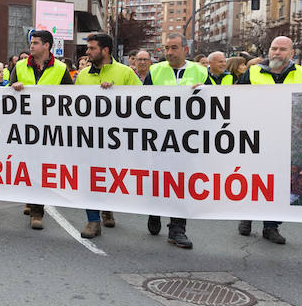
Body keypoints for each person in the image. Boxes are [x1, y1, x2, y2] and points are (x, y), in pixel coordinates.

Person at [236, 35, 302, 244]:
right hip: (256, 137)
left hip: (288, 138)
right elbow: (235, 100)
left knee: (279, 183)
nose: (277, 53)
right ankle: (247, 216)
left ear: (292, 53)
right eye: (274, 48)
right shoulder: (253, 72)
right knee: (253, 180)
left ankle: (271, 226)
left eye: (282, 49)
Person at [72, 33, 140, 239]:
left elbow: (141, 101)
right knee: (88, 177)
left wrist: (115, 93)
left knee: (111, 177)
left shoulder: (126, 73)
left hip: (116, 138)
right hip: (89, 137)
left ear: (105, 50)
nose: (87, 52)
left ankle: (107, 207)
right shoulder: (83, 75)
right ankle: (93, 220)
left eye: (92, 48)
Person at [143, 33, 207, 248]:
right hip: (159, 139)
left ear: (185, 50)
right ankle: (155, 212)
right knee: (158, 180)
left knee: (181, 184)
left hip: (188, 139)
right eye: (166, 48)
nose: (169, 52)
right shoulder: (155, 71)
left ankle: (177, 229)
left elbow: (217, 103)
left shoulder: (201, 71)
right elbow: (141, 103)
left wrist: (205, 92)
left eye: (174, 48)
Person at [9, 30, 73, 230]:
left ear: (46, 45)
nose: (32, 46)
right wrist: (13, 86)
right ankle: (30, 198)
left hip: (48, 129)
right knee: (27, 166)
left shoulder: (61, 68)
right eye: (31, 42)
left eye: (36, 43)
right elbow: (7, 90)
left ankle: (37, 212)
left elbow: (70, 97)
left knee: (40, 167)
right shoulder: (19, 66)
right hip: (23, 127)